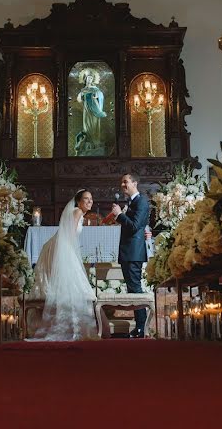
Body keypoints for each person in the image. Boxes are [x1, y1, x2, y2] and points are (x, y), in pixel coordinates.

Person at [28, 190, 98, 341]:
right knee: (71, 284)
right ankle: (71, 327)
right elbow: (70, 234)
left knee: (68, 284)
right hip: (61, 247)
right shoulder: (78, 211)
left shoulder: (77, 212)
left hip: (60, 246)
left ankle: (69, 325)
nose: (89, 201)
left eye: (91, 199)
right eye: (86, 199)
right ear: (78, 202)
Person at [110, 173, 153, 338]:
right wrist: (120, 216)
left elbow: (135, 226)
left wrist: (120, 215)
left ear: (135, 183)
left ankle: (141, 328)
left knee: (135, 290)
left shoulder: (141, 201)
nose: (123, 184)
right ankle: (139, 328)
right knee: (132, 289)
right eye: (121, 182)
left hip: (134, 253)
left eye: (125, 182)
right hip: (129, 252)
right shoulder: (132, 202)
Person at [75, 68, 107, 155]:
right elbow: (79, 100)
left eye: (91, 78)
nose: (89, 79)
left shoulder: (95, 89)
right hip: (86, 111)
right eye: (88, 78)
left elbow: (100, 96)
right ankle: (87, 143)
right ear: (85, 79)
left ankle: (95, 143)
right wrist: (80, 97)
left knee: (94, 126)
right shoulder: (83, 90)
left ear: (93, 79)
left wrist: (96, 96)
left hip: (94, 110)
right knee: (87, 126)